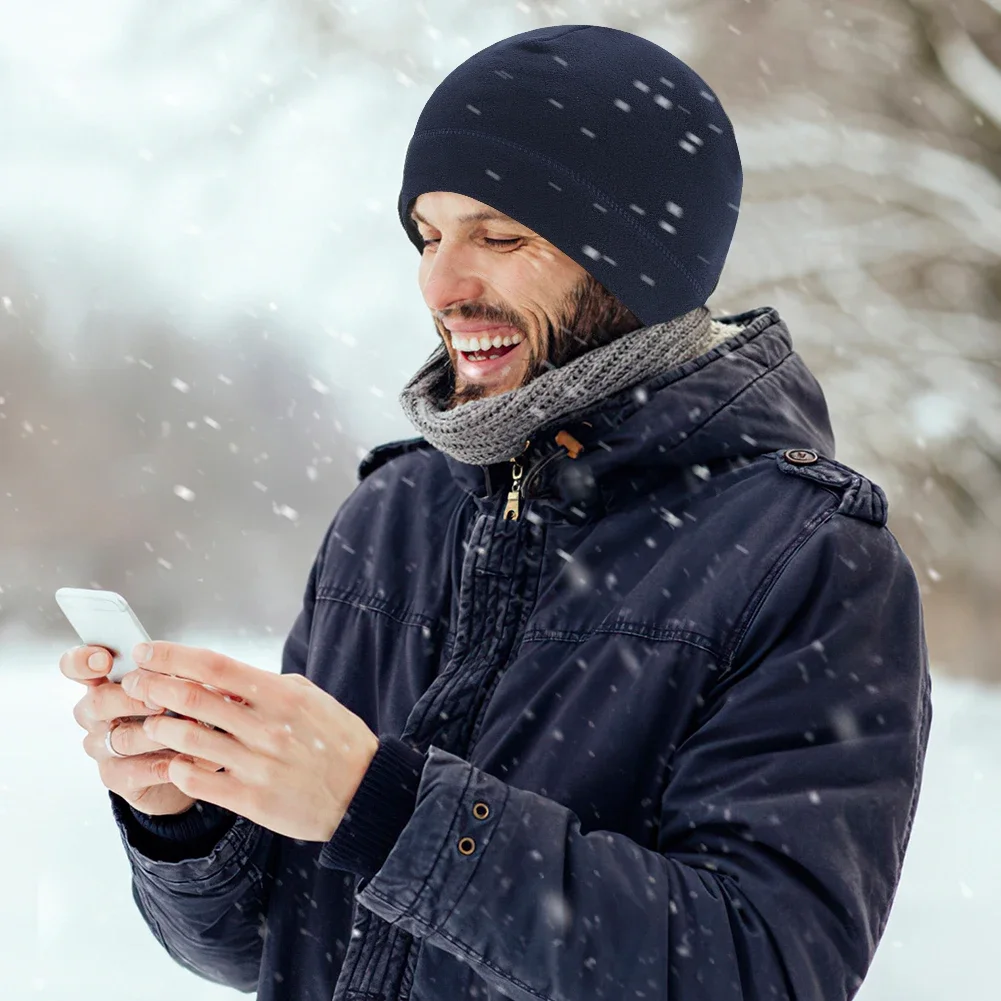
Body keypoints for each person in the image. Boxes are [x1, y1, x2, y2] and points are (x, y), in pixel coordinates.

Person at [60, 24, 931, 1001]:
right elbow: (280, 942)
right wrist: (185, 815)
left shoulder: (806, 561)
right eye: (428, 235)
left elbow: (762, 967)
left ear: (636, 260)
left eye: (498, 236)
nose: (440, 285)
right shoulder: (387, 515)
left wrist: (384, 809)